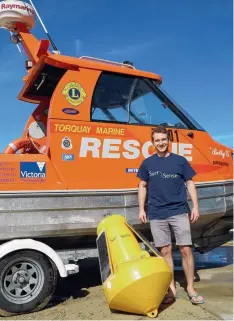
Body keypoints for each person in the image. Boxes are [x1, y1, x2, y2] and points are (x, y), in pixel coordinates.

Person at [137, 125, 204, 305]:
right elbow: (142, 186)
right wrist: (141, 209)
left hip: (179, 211)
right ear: (153, 143)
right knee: (164, 251)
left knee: (185, 249)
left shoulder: (180, 161)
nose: (161, 143)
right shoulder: (147, 163)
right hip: (157, 213)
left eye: (163, 139)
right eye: (157, 140)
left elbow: (190, 183)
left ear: (168, 141)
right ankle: (171, 289)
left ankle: (190, 288)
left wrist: (195, 206)